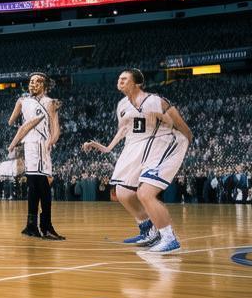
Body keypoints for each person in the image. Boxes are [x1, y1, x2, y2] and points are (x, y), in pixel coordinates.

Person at [82, 68, 192, 254]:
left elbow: (177, 122)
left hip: (163, 143)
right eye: (119, 78)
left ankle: (169, 238)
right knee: (123, 193)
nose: (120, 81)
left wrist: (187, 138)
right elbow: (124, 128)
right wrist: (107, 147)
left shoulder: (154, 101)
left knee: (145, 194)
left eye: (124, 78)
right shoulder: (122, 105)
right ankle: (148, 231)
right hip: (138, 146)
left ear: (137, 83)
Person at [8, 72, 64, 240]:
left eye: (37, 82)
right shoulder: (24, 101)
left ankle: (35, 226)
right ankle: (42, 226)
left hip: (41, 145)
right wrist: (20, 104)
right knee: (39, 187)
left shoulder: (49, 102)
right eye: (31, 81)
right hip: (31, 145)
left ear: (45, 86)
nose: (32, 84)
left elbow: (56, 128)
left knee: (38, 187)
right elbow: (11, 121)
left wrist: (51, 142)